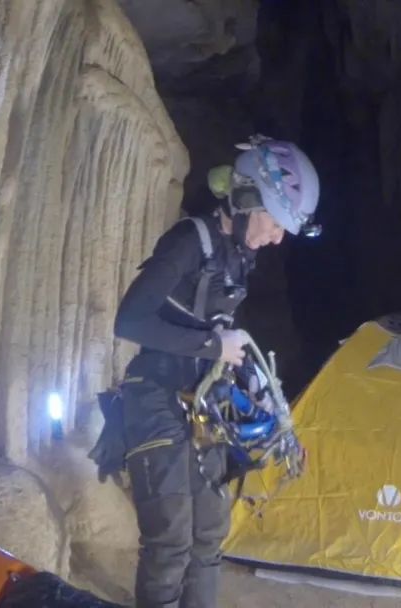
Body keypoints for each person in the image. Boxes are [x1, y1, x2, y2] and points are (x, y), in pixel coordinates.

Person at [112, 135, 320, 608]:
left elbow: (224, 332)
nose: (278, 237)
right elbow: (130, 321)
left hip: (203, 405)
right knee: (170, 540)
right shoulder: (189, 242)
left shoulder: (239, 256)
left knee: (208, 537)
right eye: (275, 222)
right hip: (156, 394)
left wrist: (256, 388)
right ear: (245, 200)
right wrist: (212, 346)